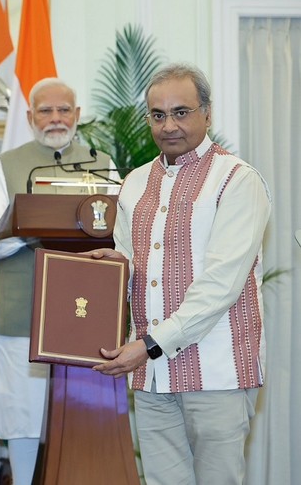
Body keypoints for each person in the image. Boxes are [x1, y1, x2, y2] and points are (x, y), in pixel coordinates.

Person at [92, 63, 271, 484]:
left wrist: (150, 345)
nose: (169, 125)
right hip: (154, 378)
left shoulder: (237, 180)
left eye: (182, 112)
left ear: (207, 113)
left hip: (218, 372)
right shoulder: (134, 183)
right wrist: (114, 269)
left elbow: (220, 285)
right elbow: (131, 262)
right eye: (158, 115)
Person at [0, 77, 118, 485]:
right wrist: (26, 232)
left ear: (77, 115)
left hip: (86, 313)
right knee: (23, 414)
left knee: (87, 415)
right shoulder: (6, 165)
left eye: (64, 109)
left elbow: (121, 231)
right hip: (23, 314)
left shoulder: (102, 162)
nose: (56, 118)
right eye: (46, 111)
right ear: (30, 116)